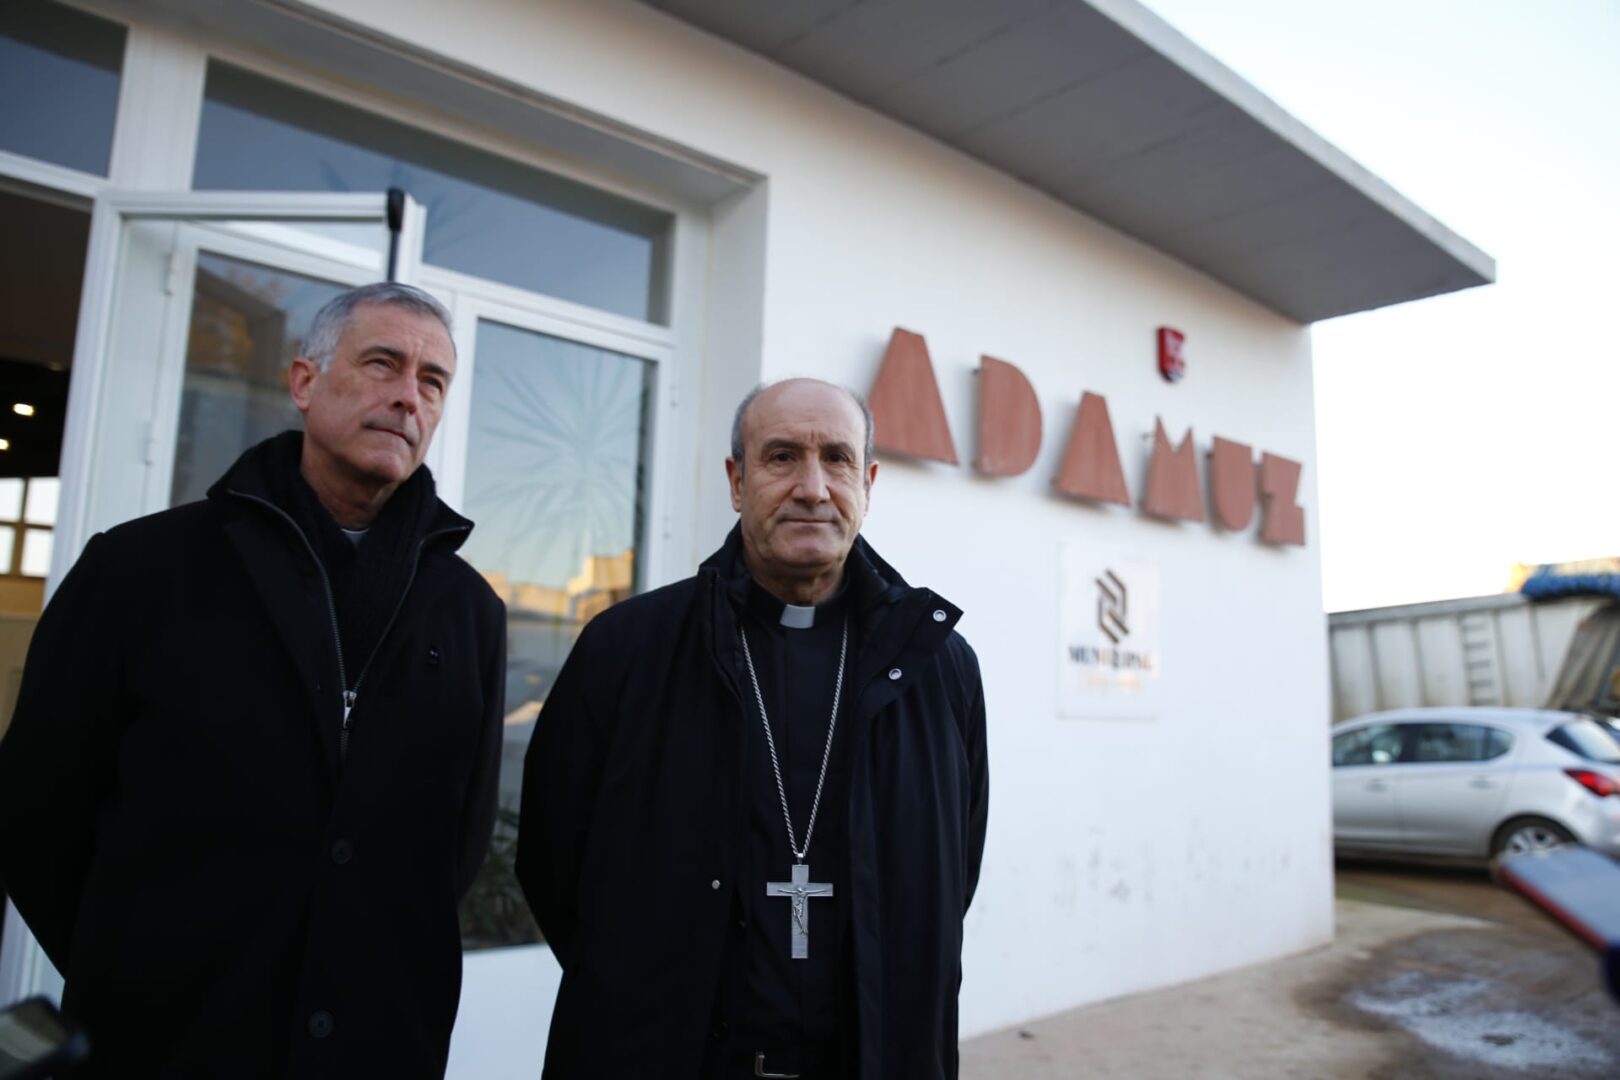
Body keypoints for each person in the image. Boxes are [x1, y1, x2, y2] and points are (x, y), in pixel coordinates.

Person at [0, 283, 506, 1077]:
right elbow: (35, 811)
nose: (409, 396)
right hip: (167, 1044)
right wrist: (140, 967)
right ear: (304, 382)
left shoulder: (470, 611)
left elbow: (456, 847)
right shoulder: (141, 569)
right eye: (383, 364)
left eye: (432, 381)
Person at [517, 378, 989, 1079]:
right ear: (737, 481)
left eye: (836, 459)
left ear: (869, 482)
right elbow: (552, 864)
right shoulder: (627, 649)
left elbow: (955, 872)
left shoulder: (937, 666)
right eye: (780, 458)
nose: (811, 487)